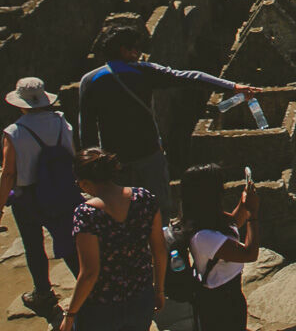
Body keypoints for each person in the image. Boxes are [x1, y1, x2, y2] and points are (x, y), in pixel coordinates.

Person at [77, 24, 259, 212]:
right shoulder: (142, 72)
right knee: (159, 209)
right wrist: (232, 87)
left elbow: (87, 131)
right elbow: (190, 77)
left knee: (121, 211)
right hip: (148, 154)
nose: (139, 54)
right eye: (135, 49)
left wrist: (94, 170)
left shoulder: (89, 81)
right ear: (125, 50)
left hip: (114, 161)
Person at [0, 78, 81, 317]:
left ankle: (44, 293)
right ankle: (90, 287)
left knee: (34, 245)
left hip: (29, 196)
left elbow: (9, 173)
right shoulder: (61, 122)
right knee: (69, 242)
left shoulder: (14, 132)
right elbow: (72, 154)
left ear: (21, 103)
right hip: (62, 190)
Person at [62, 148, 166, 331]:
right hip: (140, 297)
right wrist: (159, 290)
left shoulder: (87, 214)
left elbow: (89, 272)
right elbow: (159, 250)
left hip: (100, 307)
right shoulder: (145, 199)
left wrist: (70, 315)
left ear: (85, 182)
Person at [180, 164, 260, 331]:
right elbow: (249, 254)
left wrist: (244, 202)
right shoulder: (203, 236)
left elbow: (234, 222)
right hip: (219, 303)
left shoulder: (208, 217)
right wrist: (253, 215)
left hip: (230, 293)